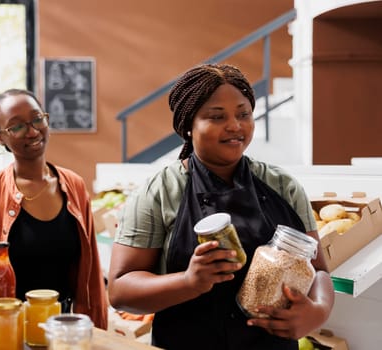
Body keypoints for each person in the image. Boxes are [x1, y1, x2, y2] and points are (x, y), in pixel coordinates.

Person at [108, 63, 334, 349]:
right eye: (216, 117)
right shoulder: (160, 191)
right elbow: (120, 290)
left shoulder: (282, 187)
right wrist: (189, 282)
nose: (235, 126)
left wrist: (319, 310)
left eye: (244, 114)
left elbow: (318, 270)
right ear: (189, 126)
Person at [0, 88, 107, 329]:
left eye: (37, 119)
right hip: (3, 332)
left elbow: (91, 275)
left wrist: (97, 330)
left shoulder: (74, 186)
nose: (33, 131)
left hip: (64, 330)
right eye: (17, 126)